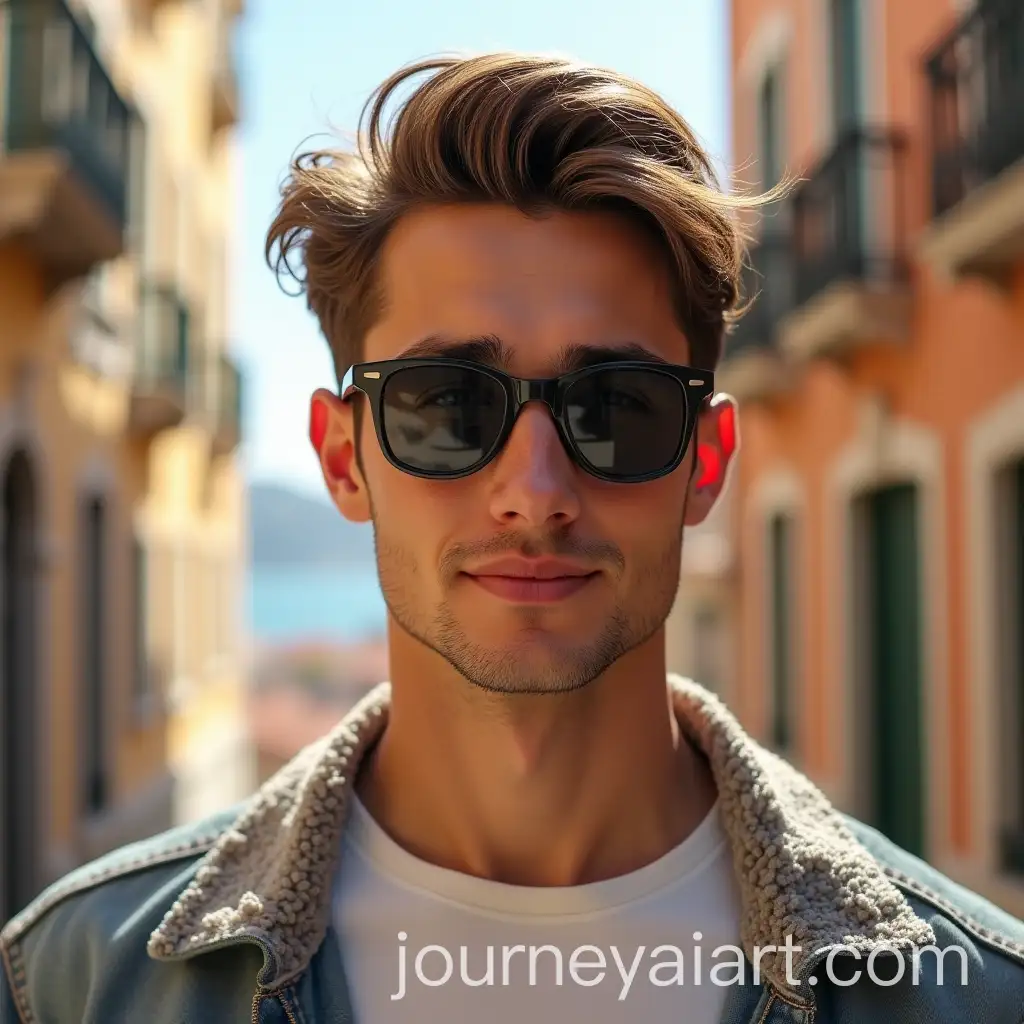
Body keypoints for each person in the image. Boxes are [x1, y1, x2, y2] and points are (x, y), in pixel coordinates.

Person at [3, 53, 1023, 1024]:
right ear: (344, 459)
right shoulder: (72, 984)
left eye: (615, 407)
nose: (534, 494)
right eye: (446, 404)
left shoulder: (975, 996)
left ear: (705, 462)